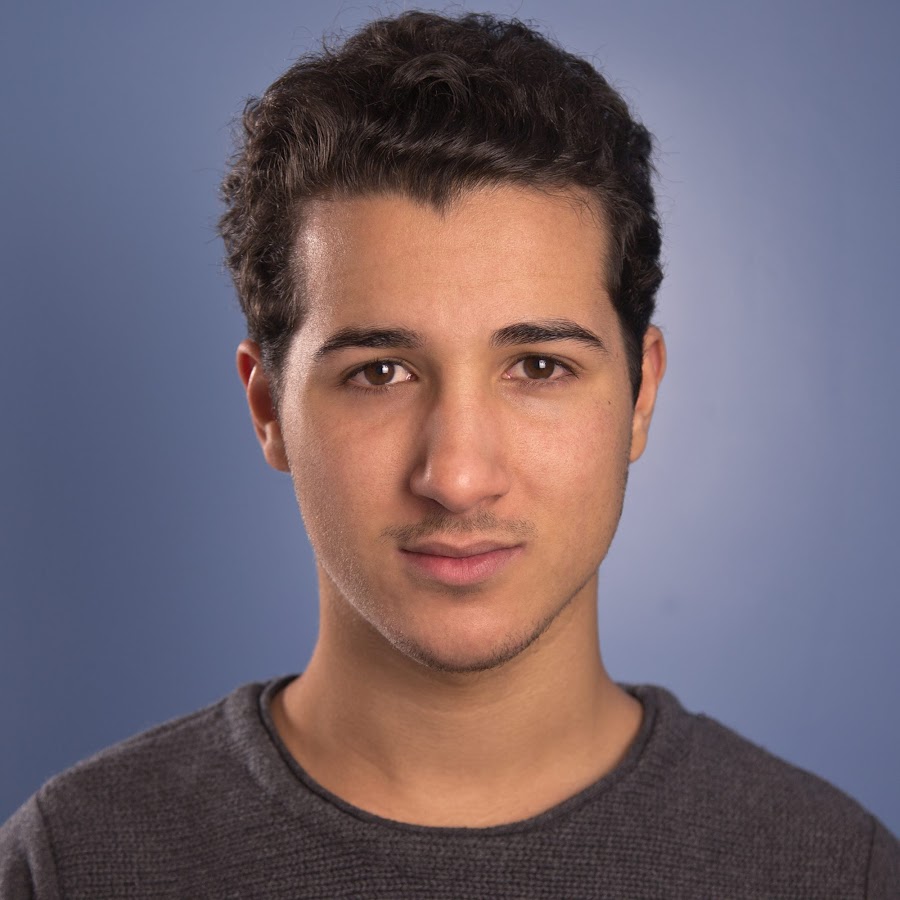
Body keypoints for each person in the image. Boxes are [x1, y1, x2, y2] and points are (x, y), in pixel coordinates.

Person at [1, 10, 897, 898]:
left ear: (640, 394)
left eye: (539, 366)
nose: (459, 477)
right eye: (379, 372)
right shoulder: (72, 865)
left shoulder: (830, 872)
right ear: (268, 407)